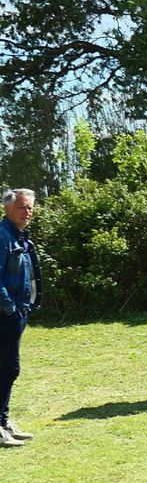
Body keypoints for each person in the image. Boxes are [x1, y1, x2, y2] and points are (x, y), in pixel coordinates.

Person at [0, 189, 41, 448]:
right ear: (7, 209)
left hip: (18, 311)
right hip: (6, 314)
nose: (27, 212)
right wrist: (10, 308)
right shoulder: (3, 236)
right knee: (8, 368)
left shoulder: (20, 237)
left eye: (30, 208)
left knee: (7, 368)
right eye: (22, 207)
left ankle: (3, 422)